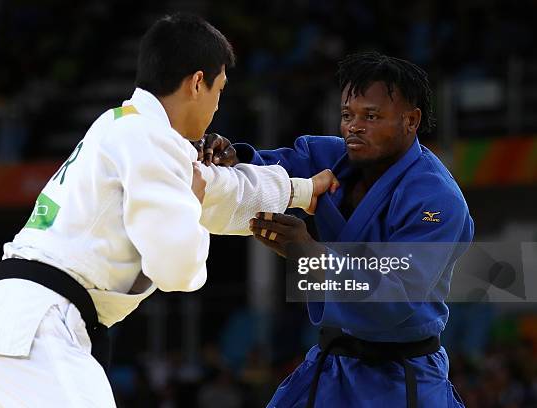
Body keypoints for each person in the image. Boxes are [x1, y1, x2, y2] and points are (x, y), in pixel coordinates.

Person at [0, 14, 337, 407]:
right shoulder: (148, 139)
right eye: (219, 90)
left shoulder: (128, 128)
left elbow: (221, 192)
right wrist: (191, 199)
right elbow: (178, 270)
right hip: (34, 331)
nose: (218, 105)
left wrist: (302, 191)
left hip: (13, 331)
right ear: (197, 83)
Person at [199, 52, 474, 407]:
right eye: (348, 115)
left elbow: (396, 295)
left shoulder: (436, 198)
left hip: (399, 375)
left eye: (371, 116)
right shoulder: (330, 156)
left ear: (411, 120)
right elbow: (269, 170)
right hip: (331, 364)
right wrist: (231, 156)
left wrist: (310, 253)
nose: (354, 127)